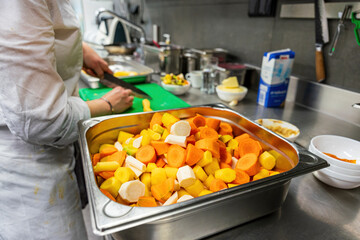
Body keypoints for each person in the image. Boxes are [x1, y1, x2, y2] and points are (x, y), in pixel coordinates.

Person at [0, 1, 134, 239]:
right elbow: (44, 120)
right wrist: (109, 104)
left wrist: (78, 50)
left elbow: (33, 30)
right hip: (32, 183)